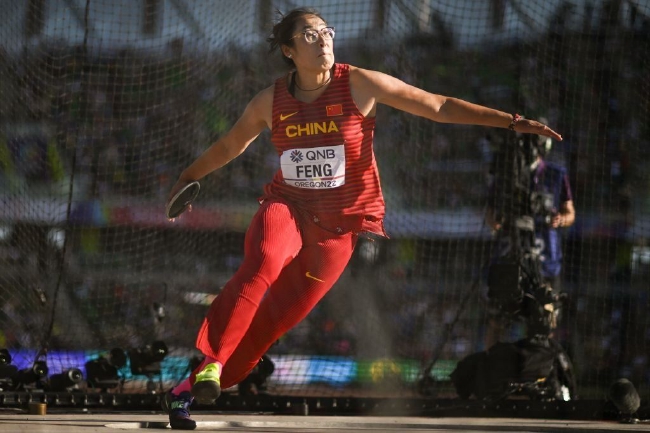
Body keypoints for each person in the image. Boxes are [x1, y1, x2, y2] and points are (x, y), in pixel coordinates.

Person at [162, 7, 563, 429]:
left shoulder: (359, 83)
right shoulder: (269, 100)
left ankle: (183, 393)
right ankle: (211, 361)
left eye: (326, 32)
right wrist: (187, 178)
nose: (324, 40)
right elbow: (230, 145)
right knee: (260, 264)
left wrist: (512, 122)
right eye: (310, 36)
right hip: (288, 208)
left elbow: (438, 105)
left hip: (337, 233)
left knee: (263, 335)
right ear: (288, 50)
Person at [484, 131, 575, 347]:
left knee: (546, 319)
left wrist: (560, 219)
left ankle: (541, 372)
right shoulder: (507, 175)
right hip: (510, 254)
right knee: (498, 318)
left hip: (545, 259)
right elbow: (490, 211)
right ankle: (489, 370)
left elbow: (570, 212)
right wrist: (497, 221)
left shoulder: (555, 174)